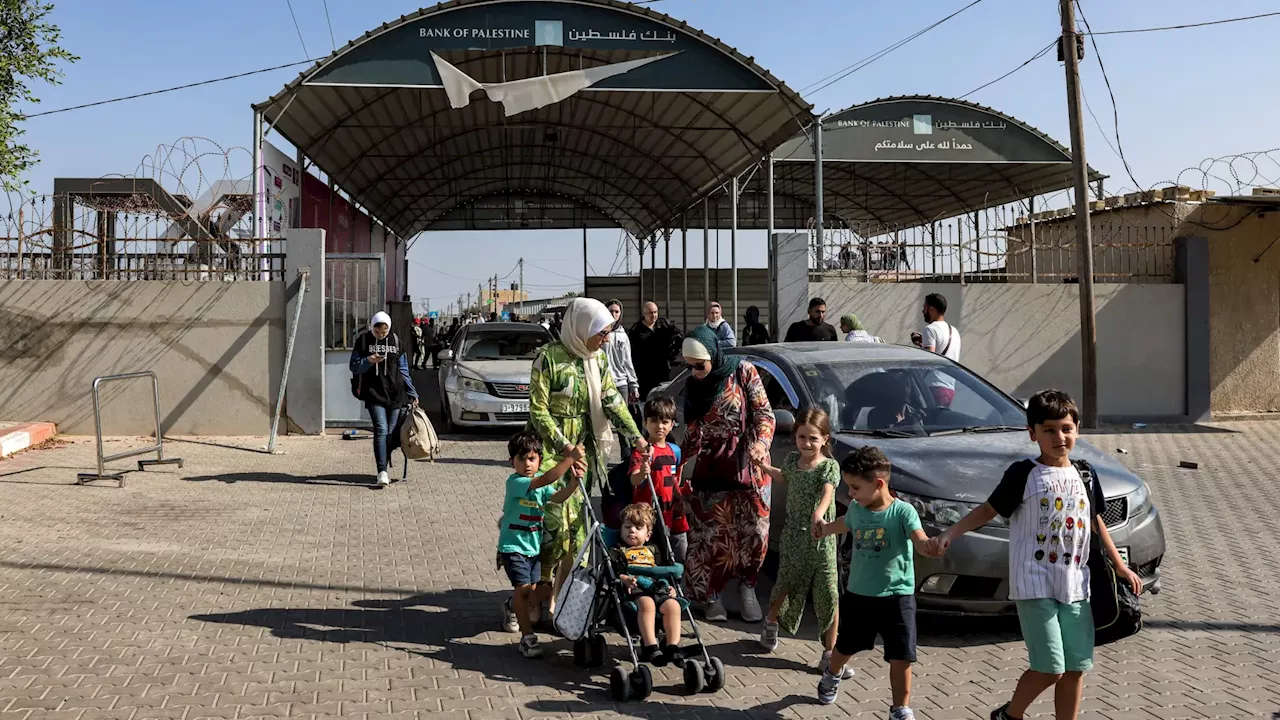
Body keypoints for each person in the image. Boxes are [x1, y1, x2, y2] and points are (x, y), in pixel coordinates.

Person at [930, 390, 1142, 720]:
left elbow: (1096, 521)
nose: (1060, 437)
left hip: (1075, 586)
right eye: (1049, 430)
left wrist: (1121, 567)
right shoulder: (1024, 473)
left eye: (1066, 428)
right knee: (1050, 668)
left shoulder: (1085, 473)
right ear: (1033, 434)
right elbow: (988, 509)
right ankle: (1010, 715)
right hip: (1034, 585)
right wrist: (949, 533)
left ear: (1077, 429)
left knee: (1075, 667)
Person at [529, 297, 647, 609]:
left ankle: (563, 601)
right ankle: (534, 598)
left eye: (609, 333)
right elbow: (538, 411)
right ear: (583, 329)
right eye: (602, 333)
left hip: (584, 456)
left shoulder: (598, 360)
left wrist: (635, 437)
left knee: (577, 535)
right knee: (552, 527)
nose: (606, 339)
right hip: (553, 456)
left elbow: (612, 401)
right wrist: (563, 446)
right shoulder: (549, 358)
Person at [814, 446, 941, 712]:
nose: (851, 493)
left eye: (856, 487)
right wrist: (825, 530)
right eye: (849, 487)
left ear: (879, 483)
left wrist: (928, 545)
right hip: (860, 594)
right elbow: (845, 523)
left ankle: (900, 709)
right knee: (845, 647)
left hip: (898, 596)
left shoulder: (903, 512)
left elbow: (918, 539)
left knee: (902, 656)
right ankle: (832, 673)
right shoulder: (857, 510)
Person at [680, 325, 775, 623]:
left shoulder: (743, 372)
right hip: (712, 469)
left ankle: (748, 589)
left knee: (755, 534)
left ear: (713, 355)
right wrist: (679, 467)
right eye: (690, 366)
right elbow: (692, 433)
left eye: (700, 365)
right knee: (711, 536)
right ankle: (711, 598)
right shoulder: (694, 386)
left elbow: (764, 413)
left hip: (749, 465)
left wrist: (761, 443)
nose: (695, 372)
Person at [754, 407, 851, 676]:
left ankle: (830, 655)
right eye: (801, 437)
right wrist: (763, 466)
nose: (807, 444)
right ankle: (771, 624)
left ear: (825, 440)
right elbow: (784, 476)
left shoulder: (829, 466)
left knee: (828, 593)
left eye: (813, 439)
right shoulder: (793, 460)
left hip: (822, 539)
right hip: (794, 535)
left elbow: (828, 493)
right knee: (787, 582)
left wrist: (819, 515)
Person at [497, 432, 585, 658]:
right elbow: (546, 479)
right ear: (512, 462)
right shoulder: (516, 482)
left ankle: (511, 605)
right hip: (513, 546)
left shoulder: (541, 488)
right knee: (524, 590)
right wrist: (570, 458)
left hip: (533, 548)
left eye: (532, 459)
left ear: (539, 460)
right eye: (522, 459)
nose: (527, 464)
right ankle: (527, 639)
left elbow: (557, 497)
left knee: (534, 590)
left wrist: (574, 483)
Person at [349, 311, 419, 487]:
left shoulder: (395, 341)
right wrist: (369, 361)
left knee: (391, 432)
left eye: (384, 332)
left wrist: (413, 392)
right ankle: (382, 471)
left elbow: (403, 369)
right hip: (374, 392)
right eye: (377, 331)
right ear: (372, 327)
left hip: (396, 393)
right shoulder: (363, 341)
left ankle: (384, 457)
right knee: (380, 429)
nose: (381, 335)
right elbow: (354, 366)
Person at [610, 503, 684, 665]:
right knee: (647, 604)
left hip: (657, 586)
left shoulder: (653, 549)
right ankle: (651, 646)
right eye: (627, 527)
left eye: (638, 528)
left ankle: (672, 646)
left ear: (648, 535)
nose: (632, 531)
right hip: (636, 588)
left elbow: (660, 570)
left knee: (674, 606)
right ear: (621, 530)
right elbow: (614, 572)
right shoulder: (619, 550)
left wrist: (670, 586)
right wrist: (625, 579)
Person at [629, 396, 689, 564]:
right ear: (646, 423)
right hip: (647, 519)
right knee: (650, 559)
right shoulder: (641, 452)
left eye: (664, 421)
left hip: (670, 515)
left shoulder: (674, 451)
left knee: (676, 559)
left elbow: (674, 480)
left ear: (672, 424)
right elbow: (634, 480)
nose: (659, 426)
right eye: (654, 421)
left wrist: (683, 495)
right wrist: (642, 471)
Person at [912, 293, 961, 407]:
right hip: (949, 387)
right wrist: (923, 343)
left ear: (932, 309)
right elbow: (941, 353)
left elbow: (929, 359)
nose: (922, 311)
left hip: (933, 386)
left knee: (929, 422)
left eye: (924, 308)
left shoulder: (930, 329)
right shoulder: (954, 331)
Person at [629, 301, 683, 402]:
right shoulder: (636, 331)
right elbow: (633, 354)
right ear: (644, 314)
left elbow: (677, 337)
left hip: (663, 371)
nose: (653, 315)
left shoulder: (663, 324)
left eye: (655, 312)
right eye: (650, 313)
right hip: (645, 375)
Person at [603, 299, 640, 409]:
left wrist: (633, 385)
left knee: (623, 417)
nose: (613, 314)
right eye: (610, 311)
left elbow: (627, 361)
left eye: (616, 312)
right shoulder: (598, 334)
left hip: (621, 383)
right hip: (603, 383)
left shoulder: (623, 336)